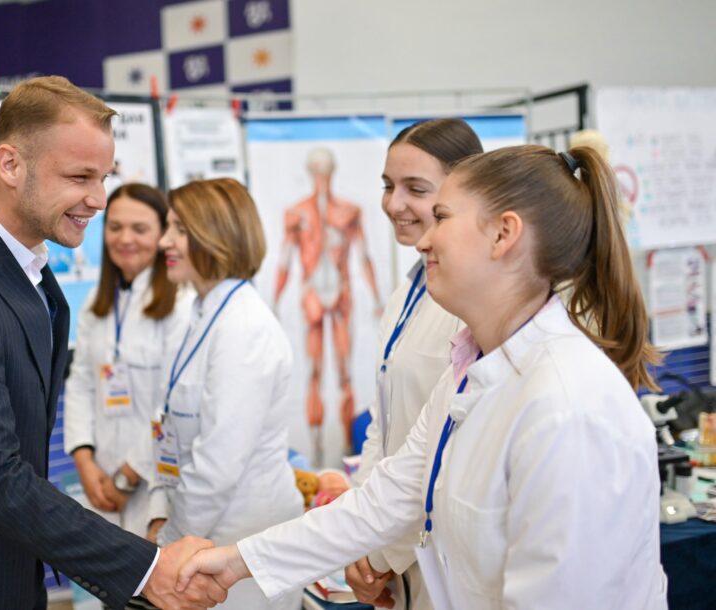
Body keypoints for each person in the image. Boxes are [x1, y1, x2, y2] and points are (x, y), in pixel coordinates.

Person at [178, 145, 669, 610]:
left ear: (504, 234)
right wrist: (236, 561)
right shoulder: (470, 372)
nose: (426, 239)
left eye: (442, 216)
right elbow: (386, 499)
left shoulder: (567, 406)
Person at [0, 76, 224, 610]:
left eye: (104, 177)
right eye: (79, 177)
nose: (98, 200)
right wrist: (148, 569)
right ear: (10, 165)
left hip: (4, 562)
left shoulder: (22, 266)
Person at [347, 119, 483, 609]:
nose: (393, 204)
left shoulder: (473, 305)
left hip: (439, 553)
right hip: (392, 543)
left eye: (415, 189)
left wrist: (383, 553)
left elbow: (447, 457)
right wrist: (361, 538)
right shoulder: (406, 290)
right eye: (388, 186)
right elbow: (383, 431)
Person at [149, 178, 304, 609]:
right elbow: (173, 429)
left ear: (213, 234)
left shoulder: (244, 328)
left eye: (178, 228)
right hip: (206, 532)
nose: (164, 241)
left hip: (244, 539)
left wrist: (168, 544)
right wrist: (163, 512)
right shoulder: (201, 312)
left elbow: (217, 463)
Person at [64, 183, 192, 537]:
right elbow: (81, 384)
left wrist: (128, 476)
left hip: (155, 485)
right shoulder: (96, 302)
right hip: (101, 484)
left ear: (163, 234)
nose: (125, 239)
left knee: (154, 587)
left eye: (140, 229)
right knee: (110, 587)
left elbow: (171, 403)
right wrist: (84, 460)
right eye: (115, 227)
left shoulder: (181, 305)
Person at [273, 147, 383, 462]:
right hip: (311, 293)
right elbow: (284, 259)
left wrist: (376, 298)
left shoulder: (349, 211)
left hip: (341, 292)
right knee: (315, 372)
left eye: (325, 170)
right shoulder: (297, 213)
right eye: (317, 170)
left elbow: (363, 255)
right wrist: (274, 301)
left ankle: (348, 446)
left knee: (345, 373)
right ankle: (319, 447)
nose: (321, 177)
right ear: (310, 172)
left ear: (333, 171)